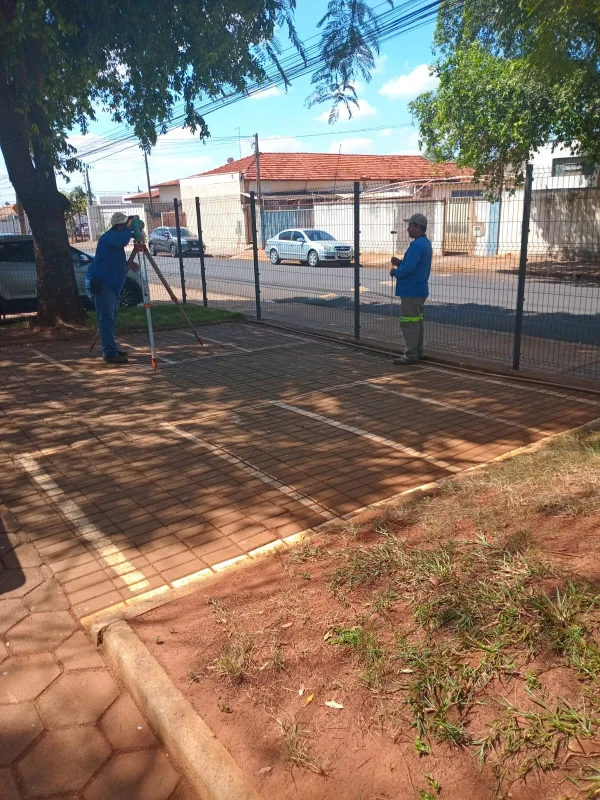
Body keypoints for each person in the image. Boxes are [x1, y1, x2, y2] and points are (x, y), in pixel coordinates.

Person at [85, 212, 141, 365]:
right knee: (106, 319)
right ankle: (109, 353)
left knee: (111, 317)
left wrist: (126, 264)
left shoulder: (113, 237)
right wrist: (130, 227)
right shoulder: (110, 237)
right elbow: (122, 241)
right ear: (119, 225)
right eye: (125, 224)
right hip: (101, 283)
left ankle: (111, 348)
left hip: (107, 284)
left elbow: (111, 259)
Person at [389, 212, 432, 365]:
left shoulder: (416, 245)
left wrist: (395, 272)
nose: (407, 229)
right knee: (417, 322)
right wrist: (400, 263)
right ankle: (417, 351)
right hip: (420, 289)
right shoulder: (425, 243)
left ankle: (411, 354)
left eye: (410, 226)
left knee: (408, 323)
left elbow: (409, 268)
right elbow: (414, 265)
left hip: (411, 290)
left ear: (418, 227)